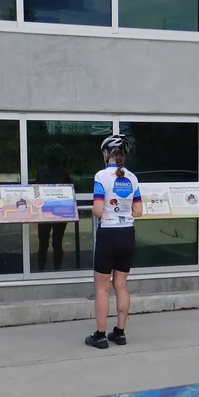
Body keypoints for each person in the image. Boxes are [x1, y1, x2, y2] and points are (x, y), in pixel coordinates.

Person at [86, 134, 141, 349]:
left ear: (106, 153)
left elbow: (98, 210)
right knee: (121, 285)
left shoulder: (101, 176)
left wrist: (97, 209)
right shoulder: (133, 178)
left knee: (102, 289)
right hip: (127, 233)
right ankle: (120, 333)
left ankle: (99, 336)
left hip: (108, 234)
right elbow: (138, 211)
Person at [35, 144, 71, 271]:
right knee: (43, 243)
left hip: (59, 211)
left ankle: (57, 269)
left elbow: (69, 192)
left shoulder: (64, 172)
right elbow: (36, 190)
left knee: (57, 243)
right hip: (44, 211)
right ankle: (41, 269)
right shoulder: (42, 171)